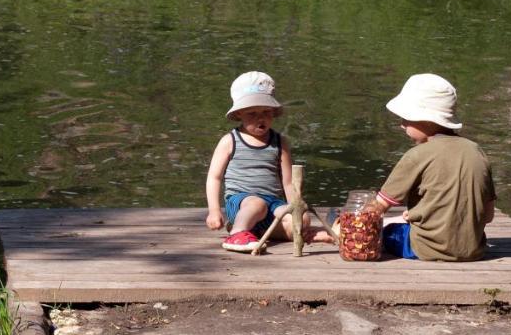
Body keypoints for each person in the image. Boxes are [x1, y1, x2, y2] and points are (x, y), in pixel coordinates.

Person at [360, 74, 496, 261]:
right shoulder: (477, 151)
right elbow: (488, 216)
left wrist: (349, 224)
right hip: (474, 250)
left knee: (386, 230)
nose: (402, 125)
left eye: (406, 118)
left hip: (423, 248)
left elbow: (376, 210)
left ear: (428, 121)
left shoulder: (417, 155)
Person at [204, 71, 330, 252]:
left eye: (266, 112)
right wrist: (214, 210)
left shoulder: (280, 142)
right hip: (241, 202)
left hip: (272, 203)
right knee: (256, 204)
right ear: (239, 114)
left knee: (301, 218)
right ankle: (238, 232)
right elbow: (214, 178)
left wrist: (296, 208)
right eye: (252, 113)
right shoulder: (229, 140)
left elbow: (288, 182)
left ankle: (286, 232)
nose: (260, 118)